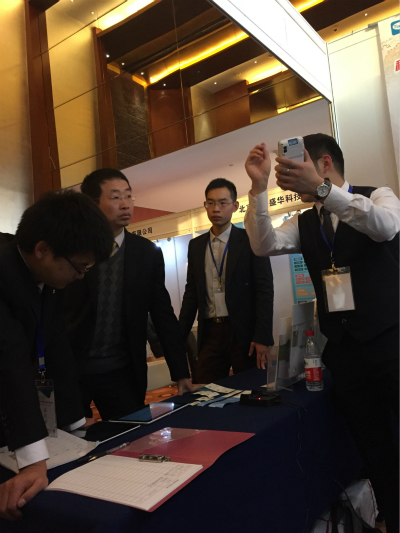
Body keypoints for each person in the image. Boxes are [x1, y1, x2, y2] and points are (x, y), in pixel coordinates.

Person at [244, 134, 399, 533]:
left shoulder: (377, 195)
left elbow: (385, 228)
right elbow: (263, 245)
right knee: (374, 447)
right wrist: (258, 189)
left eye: (296, 165)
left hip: (391, 343)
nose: (288, 174)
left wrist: (325, 192)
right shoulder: (304, 221)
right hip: (345, 355)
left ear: (325, 163)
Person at [0, 190, 114, 521]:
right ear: (43, 250)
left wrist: (74, 421)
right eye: (79, 267)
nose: (80, 276)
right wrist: (33, 462)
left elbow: (56, 347)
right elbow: (8, 362)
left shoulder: (44, 275)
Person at [61, 168, 194, 422]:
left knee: (130, 434)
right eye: (115, 197)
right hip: (73, 369)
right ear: (92, 204)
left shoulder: (146, 253)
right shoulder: (71, 248)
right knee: (71, 437)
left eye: (129, 196)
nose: (125, 204)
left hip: (122, 371)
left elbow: (162, 314)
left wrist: (181, 372)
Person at [179, 178, 274, 384]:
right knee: (206, 391)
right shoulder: (196, 246)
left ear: (235, 206)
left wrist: (263, 336)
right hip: (210, 332)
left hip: (243, 331)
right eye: (211, 203)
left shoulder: (250, 240)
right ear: (205, 205)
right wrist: (179, 335)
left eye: (223, 203)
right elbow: (191, 293)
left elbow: (265, 289)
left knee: (250, 388)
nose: (216, 208)